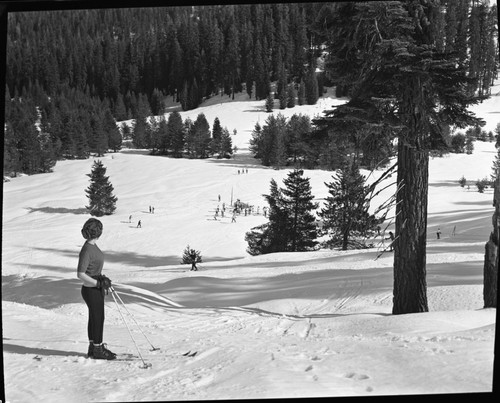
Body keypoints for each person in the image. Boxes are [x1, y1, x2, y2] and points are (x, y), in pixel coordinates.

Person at [77, 218, 116, 360]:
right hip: (91, 290)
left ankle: (93, 347)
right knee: (98, 318)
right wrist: (98, 283)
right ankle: (98, 350)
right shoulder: (87, 249)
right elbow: (80, 274)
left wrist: (101, 278)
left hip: (93, 288)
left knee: (94, 318)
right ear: (97, 232)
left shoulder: (91, 246)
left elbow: (92, 268)